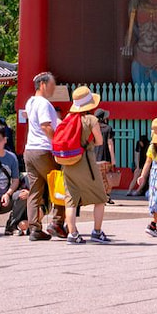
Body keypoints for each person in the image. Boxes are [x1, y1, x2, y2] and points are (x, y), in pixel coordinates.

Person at [54, 86, 110, 244]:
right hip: (86, 162)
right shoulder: (91, 120)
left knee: (70, 199)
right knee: (100, 197)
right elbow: (99, 141)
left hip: (68, 163)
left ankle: (72, 234)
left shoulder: (67, 119)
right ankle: (97, 232)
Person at [21, 71, 61, 241]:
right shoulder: (44, 103)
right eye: (52, 85)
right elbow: (46, 126)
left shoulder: (30, 102)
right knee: (58, 183)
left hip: (29, 150)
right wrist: (58, 142)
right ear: (43, 85)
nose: (54, 88)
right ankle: (57, 222)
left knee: (35, 190)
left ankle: (34, 227)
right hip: (43, 150)